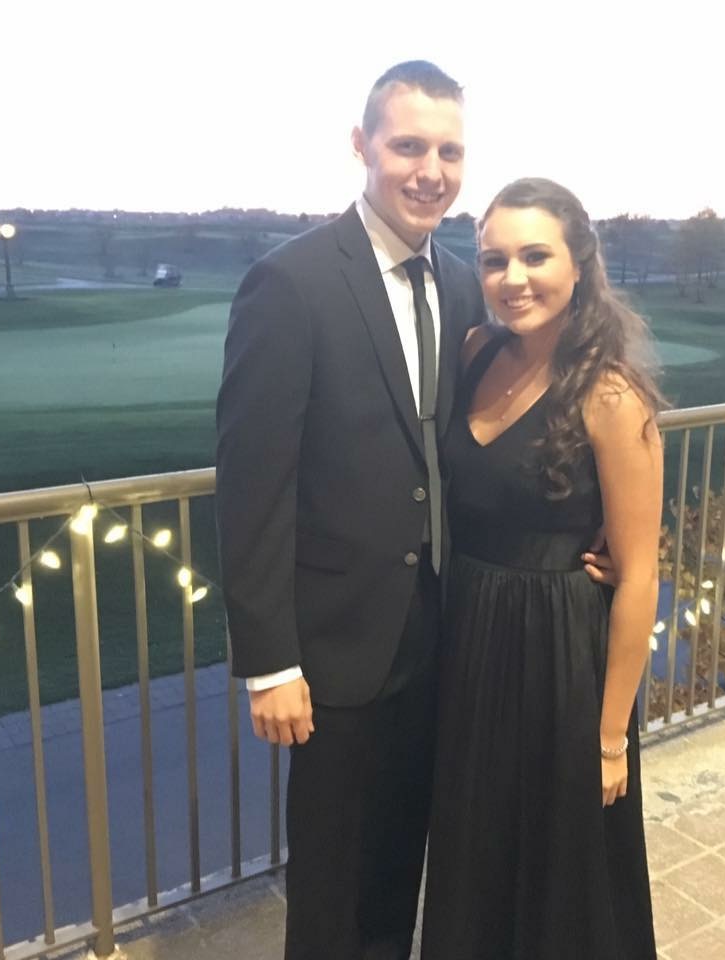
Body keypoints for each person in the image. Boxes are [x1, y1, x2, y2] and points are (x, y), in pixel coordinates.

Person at [215, 61, 488, 959]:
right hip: (335, 646)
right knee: (331, 883)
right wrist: (269, 663)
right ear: (362, 146)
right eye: (408, 146)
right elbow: (253, 485)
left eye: (449, 151)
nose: (430, 171)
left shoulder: (462, 284)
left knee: (400, 862)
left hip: (439, 634)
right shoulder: (290, 284)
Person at [422, 178, 662, 959]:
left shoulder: (612, 397)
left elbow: (639, 577)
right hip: (471, 638)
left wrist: (609, 738)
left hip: (560, 657)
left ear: (579, 264)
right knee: (477, 849)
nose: (512, 278)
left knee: (562, 869)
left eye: (535, 256)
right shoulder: (475, 351)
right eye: (495, 260)